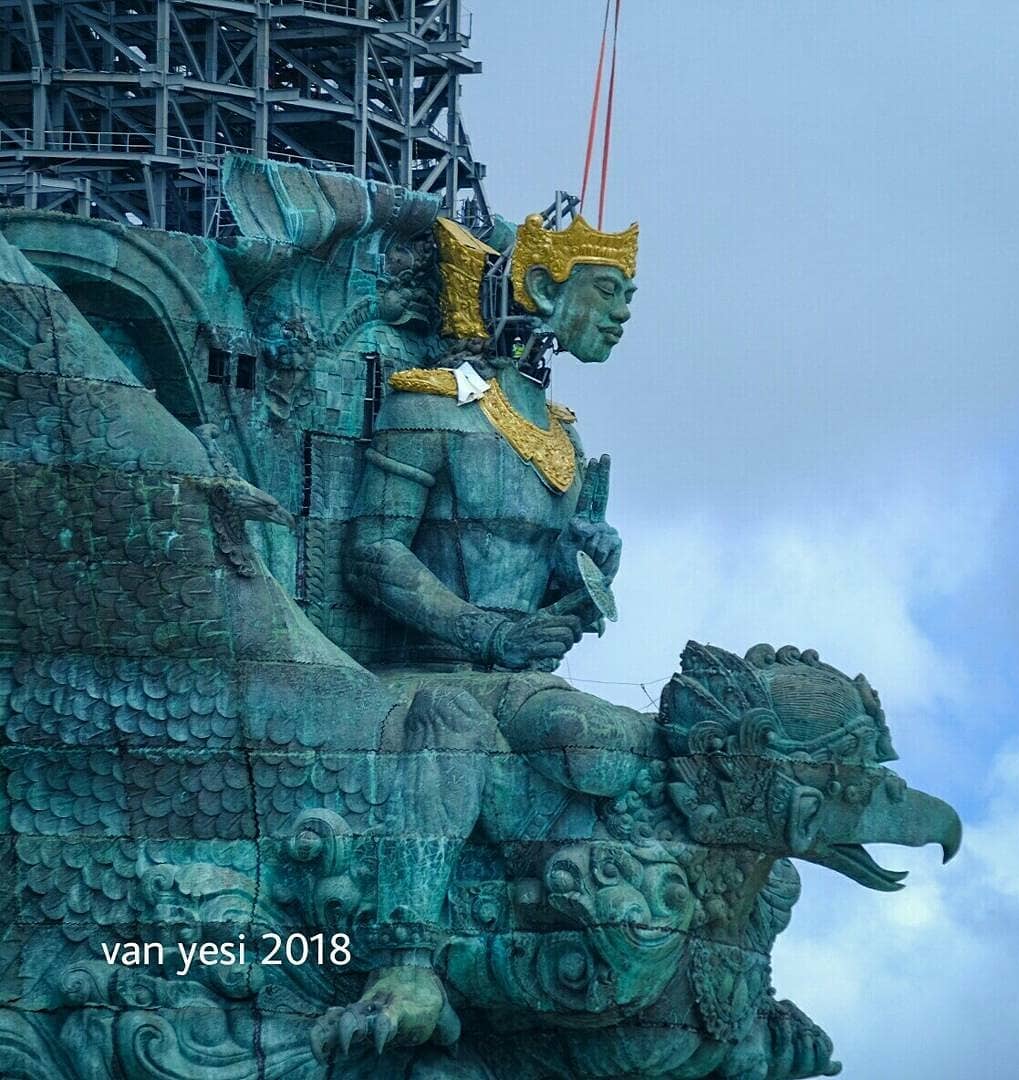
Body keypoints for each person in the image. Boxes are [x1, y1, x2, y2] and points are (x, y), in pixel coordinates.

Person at [324, 213, 653, 1060]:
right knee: (545, 729)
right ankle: (404, 958)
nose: (622, 314)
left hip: (513, 678)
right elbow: (374, 553)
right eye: (607, 291)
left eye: (628, 298)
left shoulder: (565, 441)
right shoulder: (430, 405)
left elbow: (552, 614)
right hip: (424, 674)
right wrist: (484, 631)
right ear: (545, 289)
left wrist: (587, 576)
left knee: (608, 744)